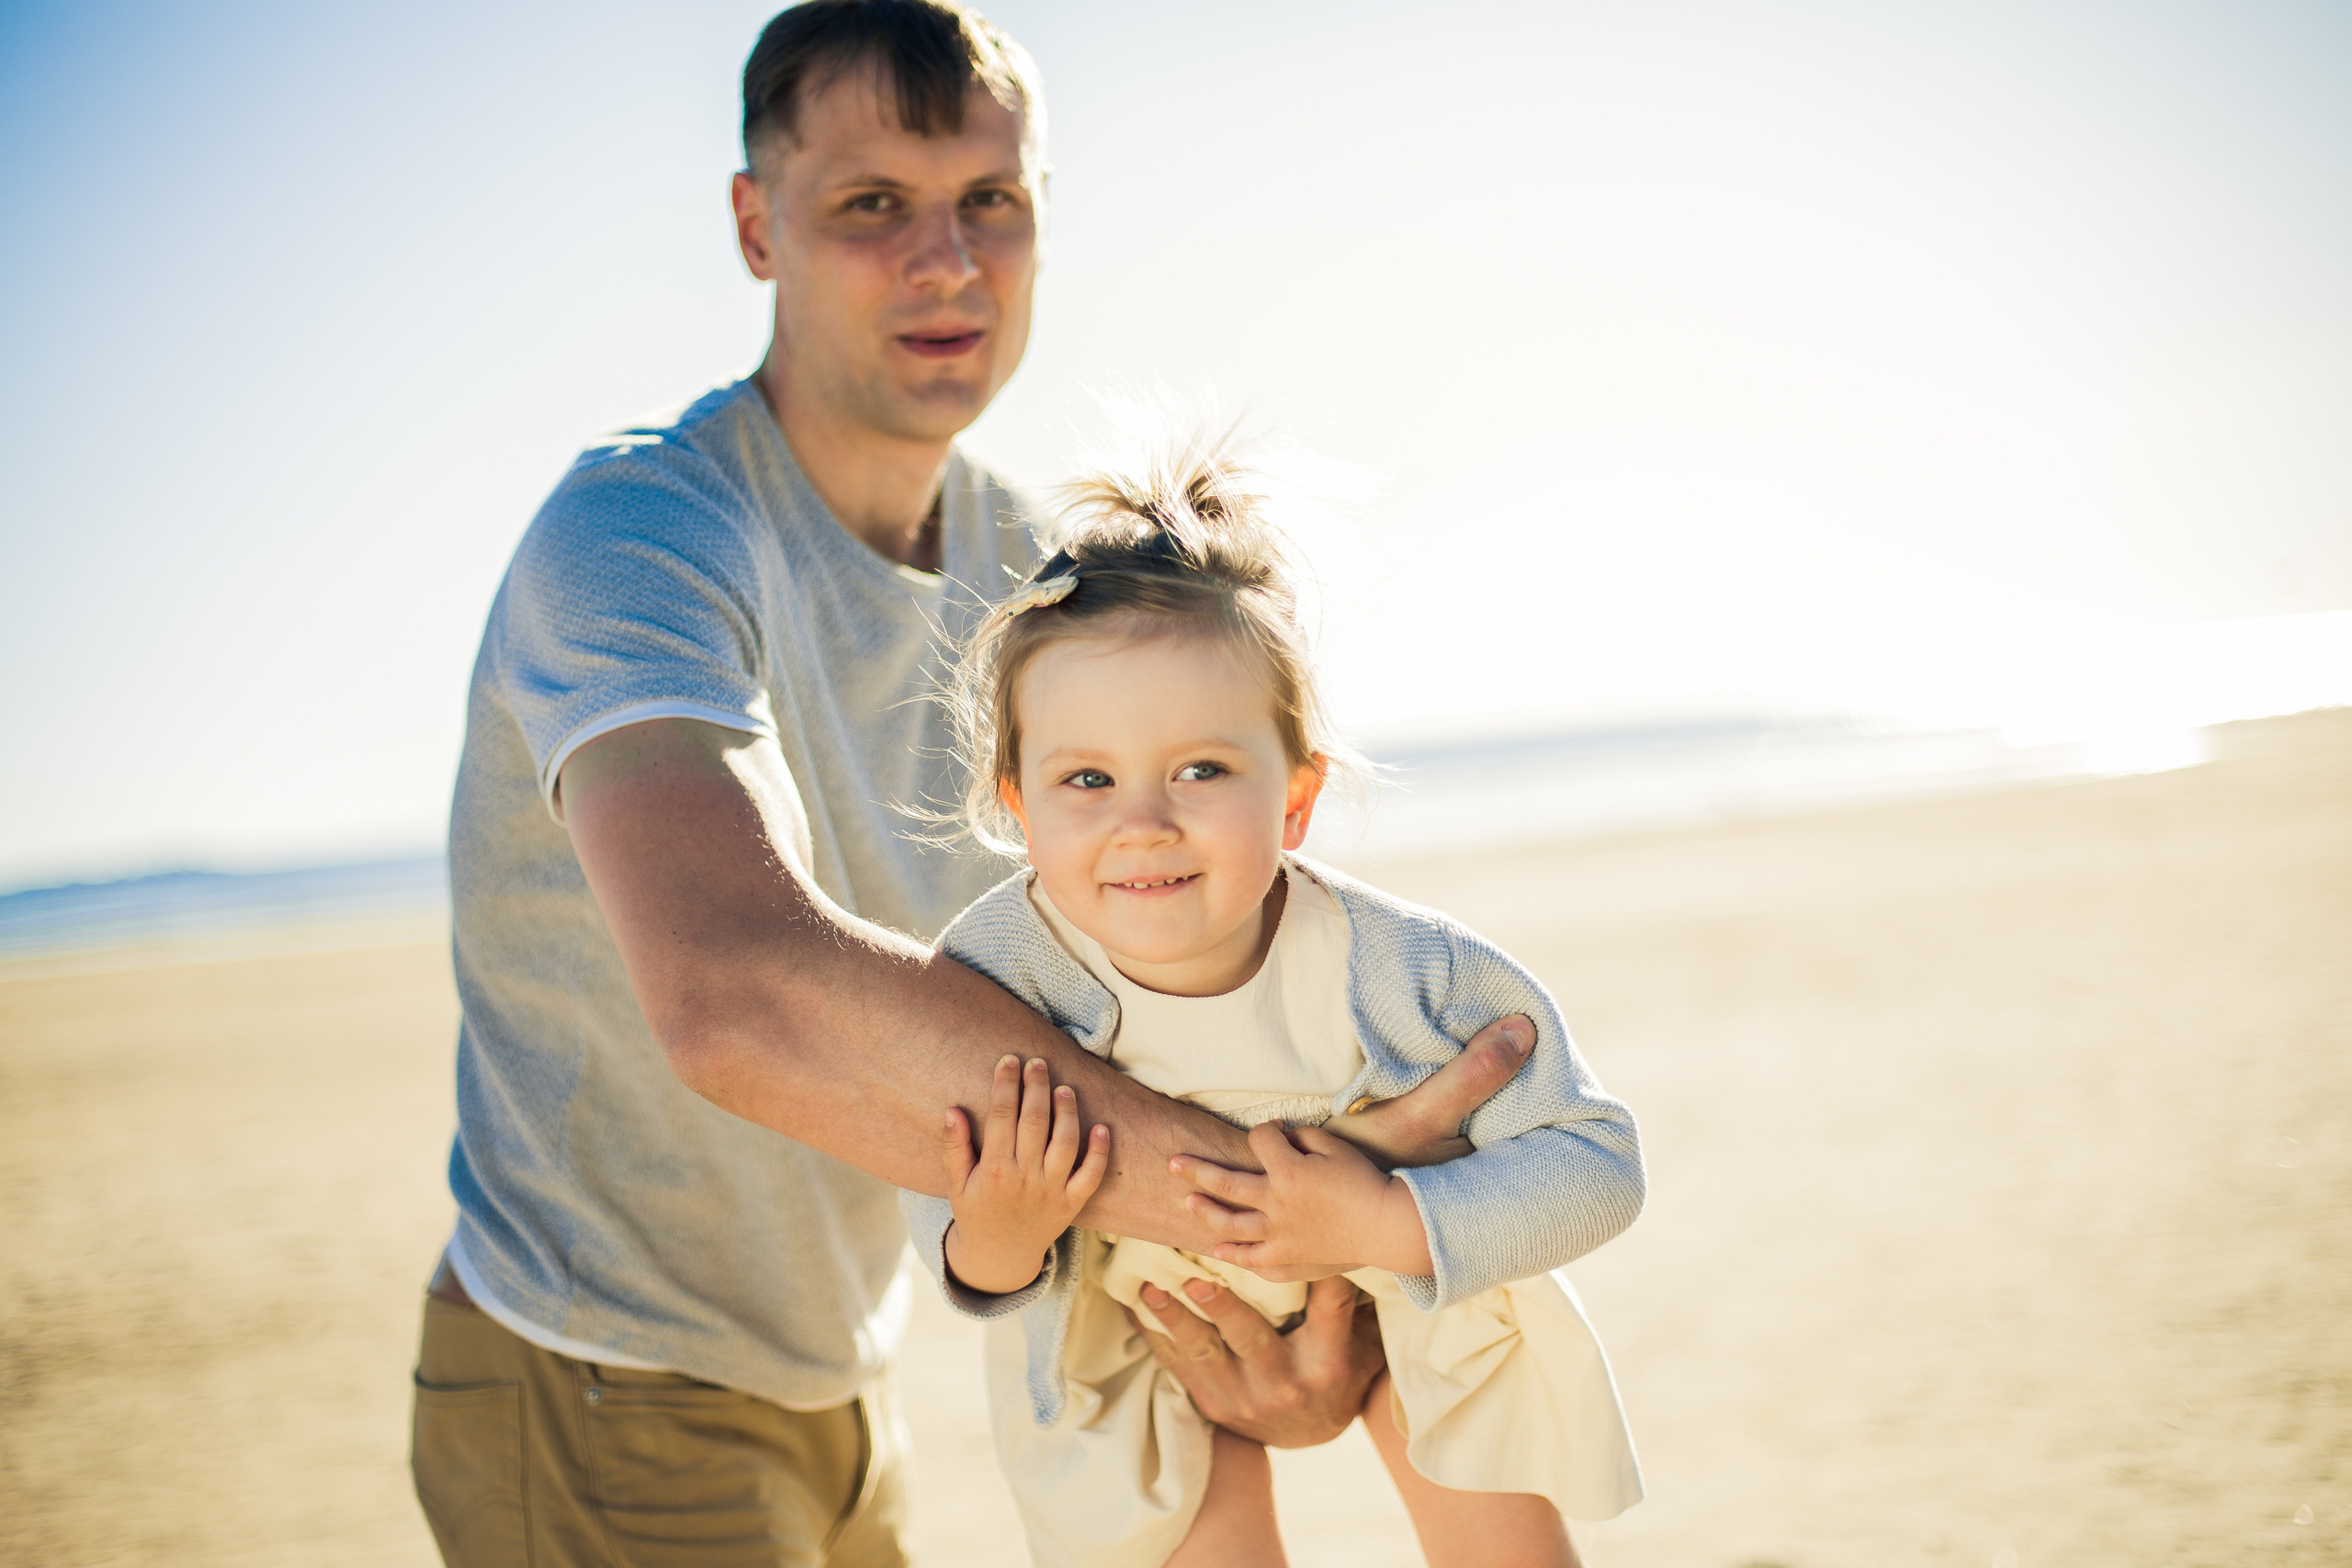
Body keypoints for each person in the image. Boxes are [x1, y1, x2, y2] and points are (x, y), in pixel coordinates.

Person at [409, 5, 1533, 1565]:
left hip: (844, 1379)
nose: (946, 260)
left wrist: (1308, 1300)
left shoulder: (1033, 581)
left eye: (989, 200)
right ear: (756, 225)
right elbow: (736, 991)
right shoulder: (638, 534)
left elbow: (1125, 1006)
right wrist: (1271, 1205)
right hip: (598, 1382)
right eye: (873, 203)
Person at [900, 437, 1648, 1568]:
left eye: (1201, 771)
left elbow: (1596, 1165)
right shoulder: (993, 973)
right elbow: (945, 1206)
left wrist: (1379, 1226)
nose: (1143, 823)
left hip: (1401, 1291)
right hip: (1136, 1330)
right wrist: (998, 1235)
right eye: (1086, 780)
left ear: (1296, 796)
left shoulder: (1399, 968)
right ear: (1017, 804)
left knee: (1490, 1481)